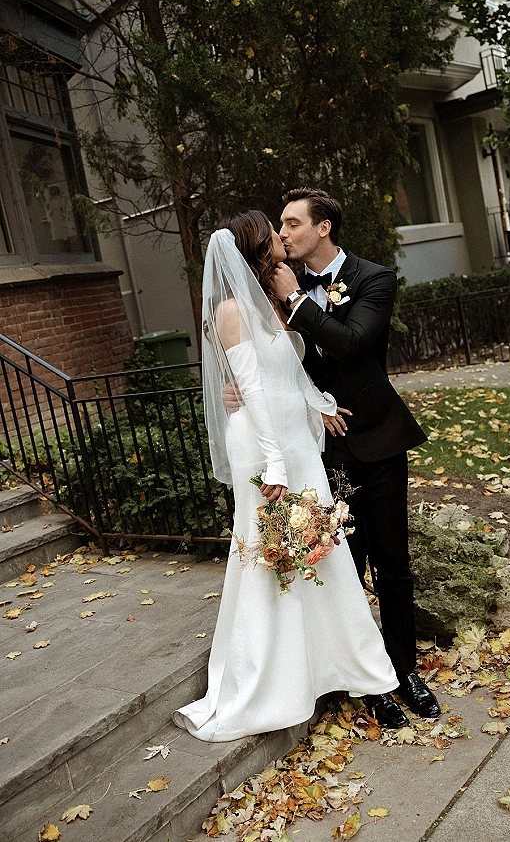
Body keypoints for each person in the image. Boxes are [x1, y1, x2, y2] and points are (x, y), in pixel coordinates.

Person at [173, 210, 400, 742]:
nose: (283, 237)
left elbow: (288, 373)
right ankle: (272, 679)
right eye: (275, 233)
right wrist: (274, 463)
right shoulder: (232, 312)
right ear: (258, 248)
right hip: (265, 447)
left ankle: (337, 667)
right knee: (273, 557)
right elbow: (250, 392)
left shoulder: (272, 304)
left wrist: (319, 402)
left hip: (295, 442)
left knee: (321, 551)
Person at [270, 187, 440, 726]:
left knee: (393, 562)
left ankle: (405, 668)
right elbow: (271, 362)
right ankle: (370, 679)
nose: (284, 233)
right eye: (280, 224)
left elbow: (354, 341)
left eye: (293, 223)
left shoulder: (374, 278)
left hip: (380, 438)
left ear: (323, 228)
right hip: (323, 449)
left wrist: (299, 302)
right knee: (347, 563)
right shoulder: (275, 289)